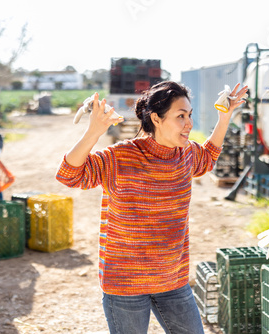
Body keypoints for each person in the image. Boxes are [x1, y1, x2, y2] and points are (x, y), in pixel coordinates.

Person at [56, 81, 248, 333]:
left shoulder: (186, 154)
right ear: (156, 118)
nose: (189, 123)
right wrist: (94, 131)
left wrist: (225, 117)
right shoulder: (121, 156)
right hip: (125, 283)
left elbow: (208, 156)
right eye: (181, 116)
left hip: (173, 280)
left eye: (189, 115)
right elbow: (69, 175)